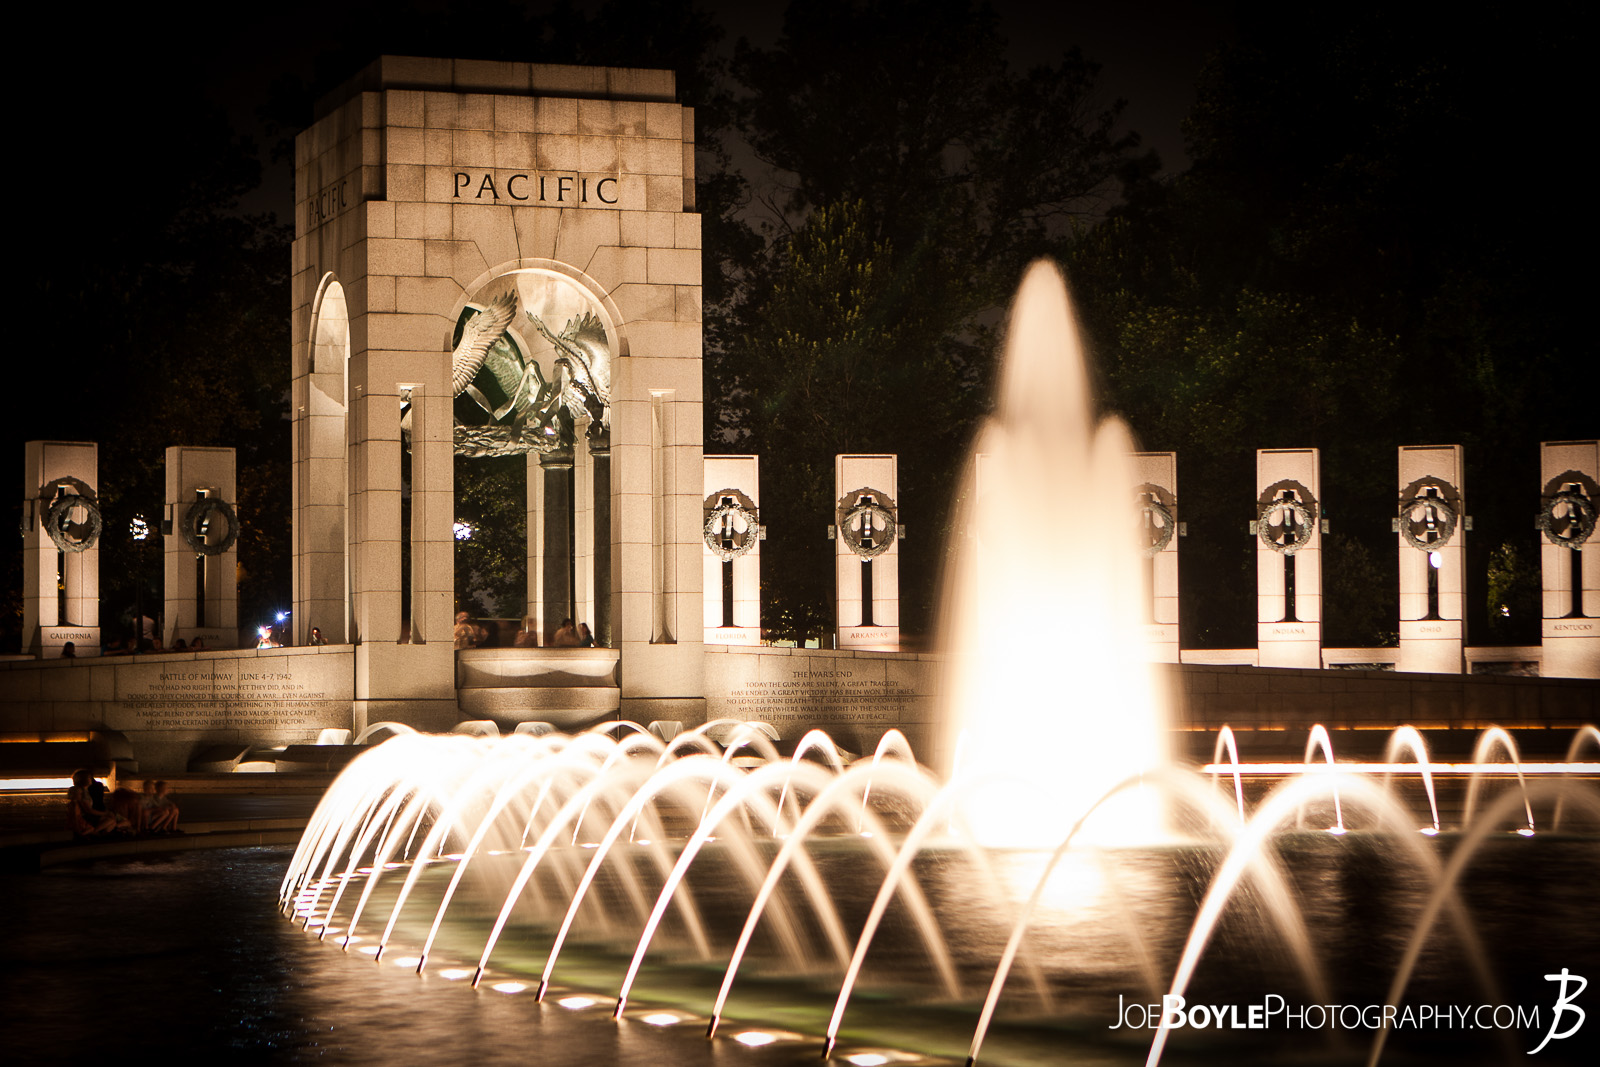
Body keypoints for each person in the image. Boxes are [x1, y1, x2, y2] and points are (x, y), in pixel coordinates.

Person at [67, 770, 117, 837]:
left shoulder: (86, 791)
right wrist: (105, 813)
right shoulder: (81, 793)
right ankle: (93, 832)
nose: (91, 779)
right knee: (110, 820)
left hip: (89, 815)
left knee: (112, 822)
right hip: (87, 817)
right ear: (84, 779)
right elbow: (88, 810)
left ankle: (101, 835)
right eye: (89, 778)